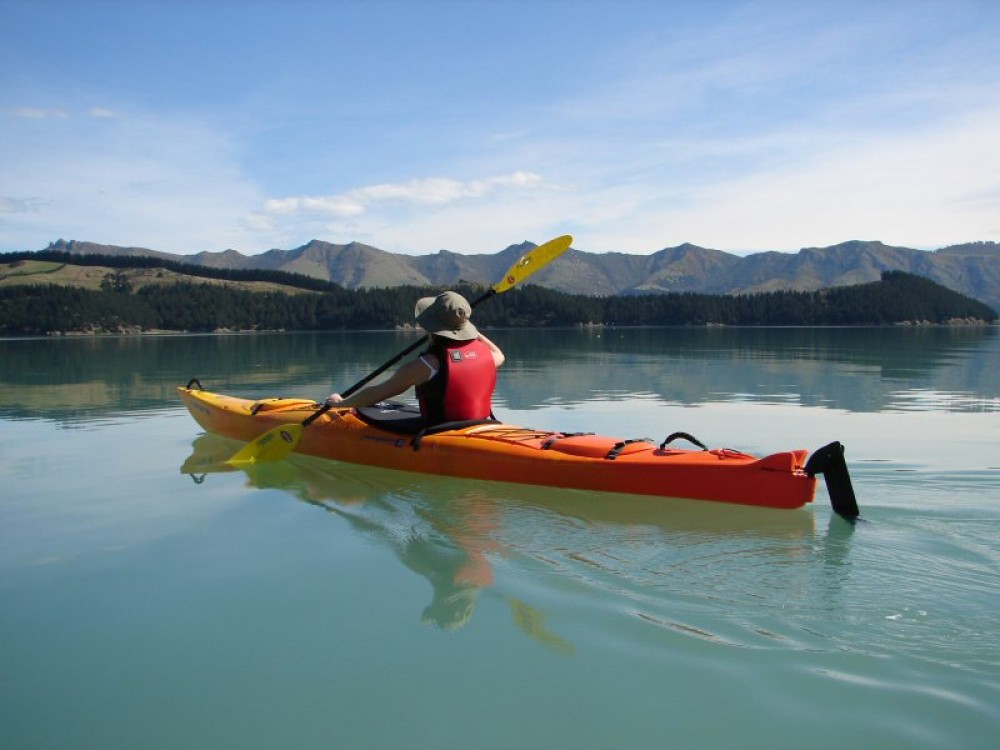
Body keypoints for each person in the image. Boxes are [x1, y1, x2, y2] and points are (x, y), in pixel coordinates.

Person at [326, 291, 505, 424]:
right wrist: (469, 330)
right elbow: (500, 355)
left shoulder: (426, 365)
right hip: (481, 422)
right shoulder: (486, 355)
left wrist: (341, 404)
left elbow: (376, 393)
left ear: (431, 326)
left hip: (441, 429)